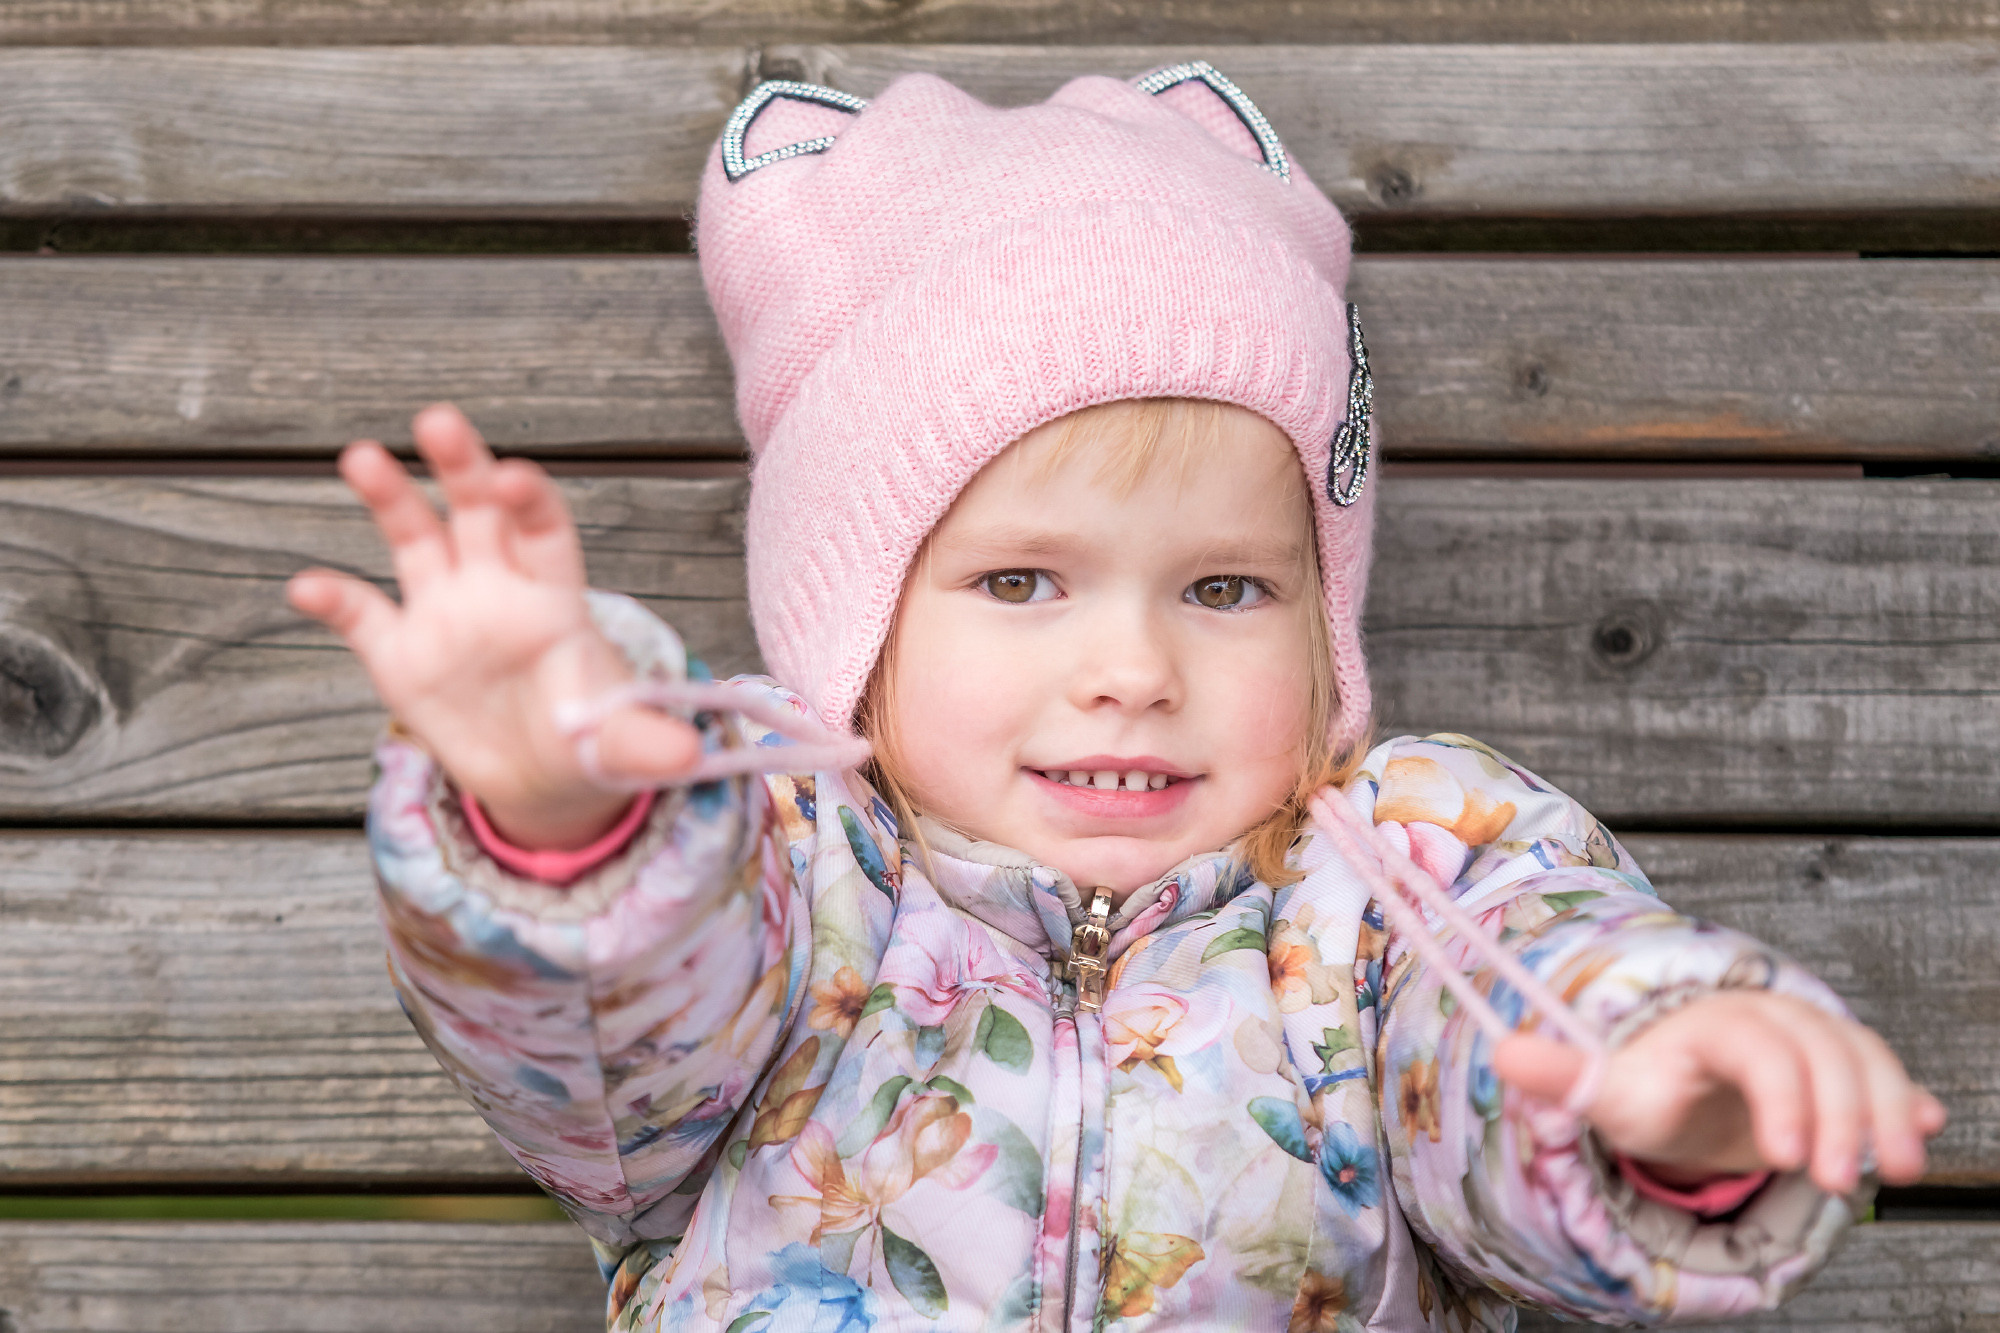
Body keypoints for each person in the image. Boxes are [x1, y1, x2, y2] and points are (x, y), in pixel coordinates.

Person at [287, 63, 1945, 1332]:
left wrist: (1654, 1082)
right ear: (853, 622)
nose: (1134, 669)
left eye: (1225, 588)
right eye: (1020, 581)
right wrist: (563, 815)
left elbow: (1522, 997)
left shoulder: (1400, 872)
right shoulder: (789, 883)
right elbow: (606, 1041)